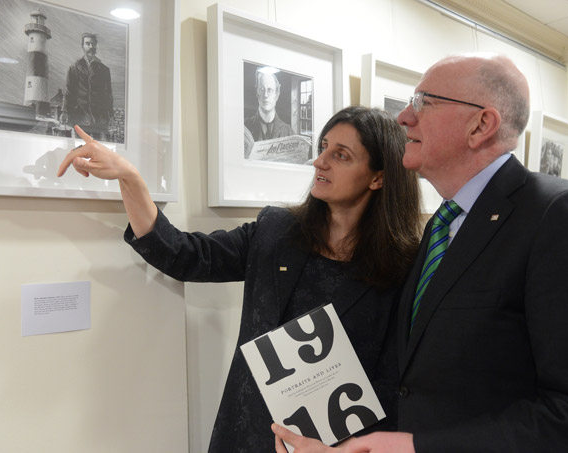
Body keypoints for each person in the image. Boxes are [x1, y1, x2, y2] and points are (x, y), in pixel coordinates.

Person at [273, 53, 568, 452]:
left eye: (423, 102)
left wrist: (418, 448)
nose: (403, 118)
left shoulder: (558, 214)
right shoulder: (442, 224)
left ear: (481, 125)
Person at [57, 106, 422, 452]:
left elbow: (398, 380)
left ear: (378, 177)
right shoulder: (276, 232)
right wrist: (130, 179)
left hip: (339, 443)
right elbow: (186, 257)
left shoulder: (405, 266)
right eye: (323, 147)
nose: (319, 161)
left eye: (341, 155)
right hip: (248, 431)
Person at [61, 32, 113, 141]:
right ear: (82, 46)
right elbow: (68, 91)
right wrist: (64, 111)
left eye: (93, 44)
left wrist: (110, 115)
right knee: (80, 149)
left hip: (98, 120)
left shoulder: (104, 70)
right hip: (80, 117)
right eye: (87, 44)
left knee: (96, 151)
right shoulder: (74, 68)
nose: (91, 47)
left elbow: (108, 94)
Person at [244, 71, 294, 144]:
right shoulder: (244, 127)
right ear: (257, 92)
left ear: (277, 93)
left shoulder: (288, 132)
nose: (265, 95)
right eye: (262, 89)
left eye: (269, 90)